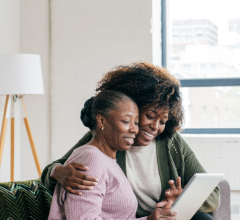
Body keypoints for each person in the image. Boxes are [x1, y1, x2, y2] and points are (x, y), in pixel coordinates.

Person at [42, 62, 220, 220]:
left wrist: (182, 200)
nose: (155, 126)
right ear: (133, 107)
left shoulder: (171, 143)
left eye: (163, 121)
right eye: (149, 116)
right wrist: (57, 172)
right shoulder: (103, 141)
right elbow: (54, 170)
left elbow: (214, 196)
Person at [48, 90, 177, 220]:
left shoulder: (107, 159)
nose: (134, 129)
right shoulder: (91, 160)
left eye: (136, 123)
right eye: (126, 121)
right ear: (102, 121)